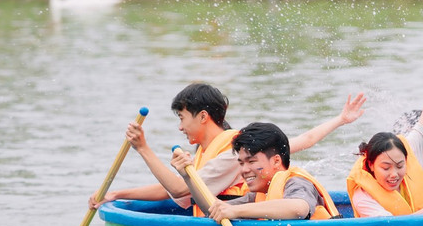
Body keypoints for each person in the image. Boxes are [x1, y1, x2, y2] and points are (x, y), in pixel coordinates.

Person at [94, 84, 366, 214]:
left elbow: (178, 189)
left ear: (202, 116)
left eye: (182, 118)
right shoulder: (232, 151)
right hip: (230, 216)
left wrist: (143, 148)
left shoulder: (235, 154)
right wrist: (117, 193)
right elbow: (183, 191)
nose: (180, 127)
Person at [347, 21, 423, 223]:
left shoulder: (411, 150)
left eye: (400, 166)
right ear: (371, 165)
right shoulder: (363, 195)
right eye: (385, 168)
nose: (394, 174)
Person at [201, 123, 341, 223]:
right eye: (242, 163)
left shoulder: (297, 183)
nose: (244, 170)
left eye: (251, 161)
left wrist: (236, 211)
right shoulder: (258, 196)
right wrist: (189, 177)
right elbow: (213, 210)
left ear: (276, 161)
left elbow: (298, 209)